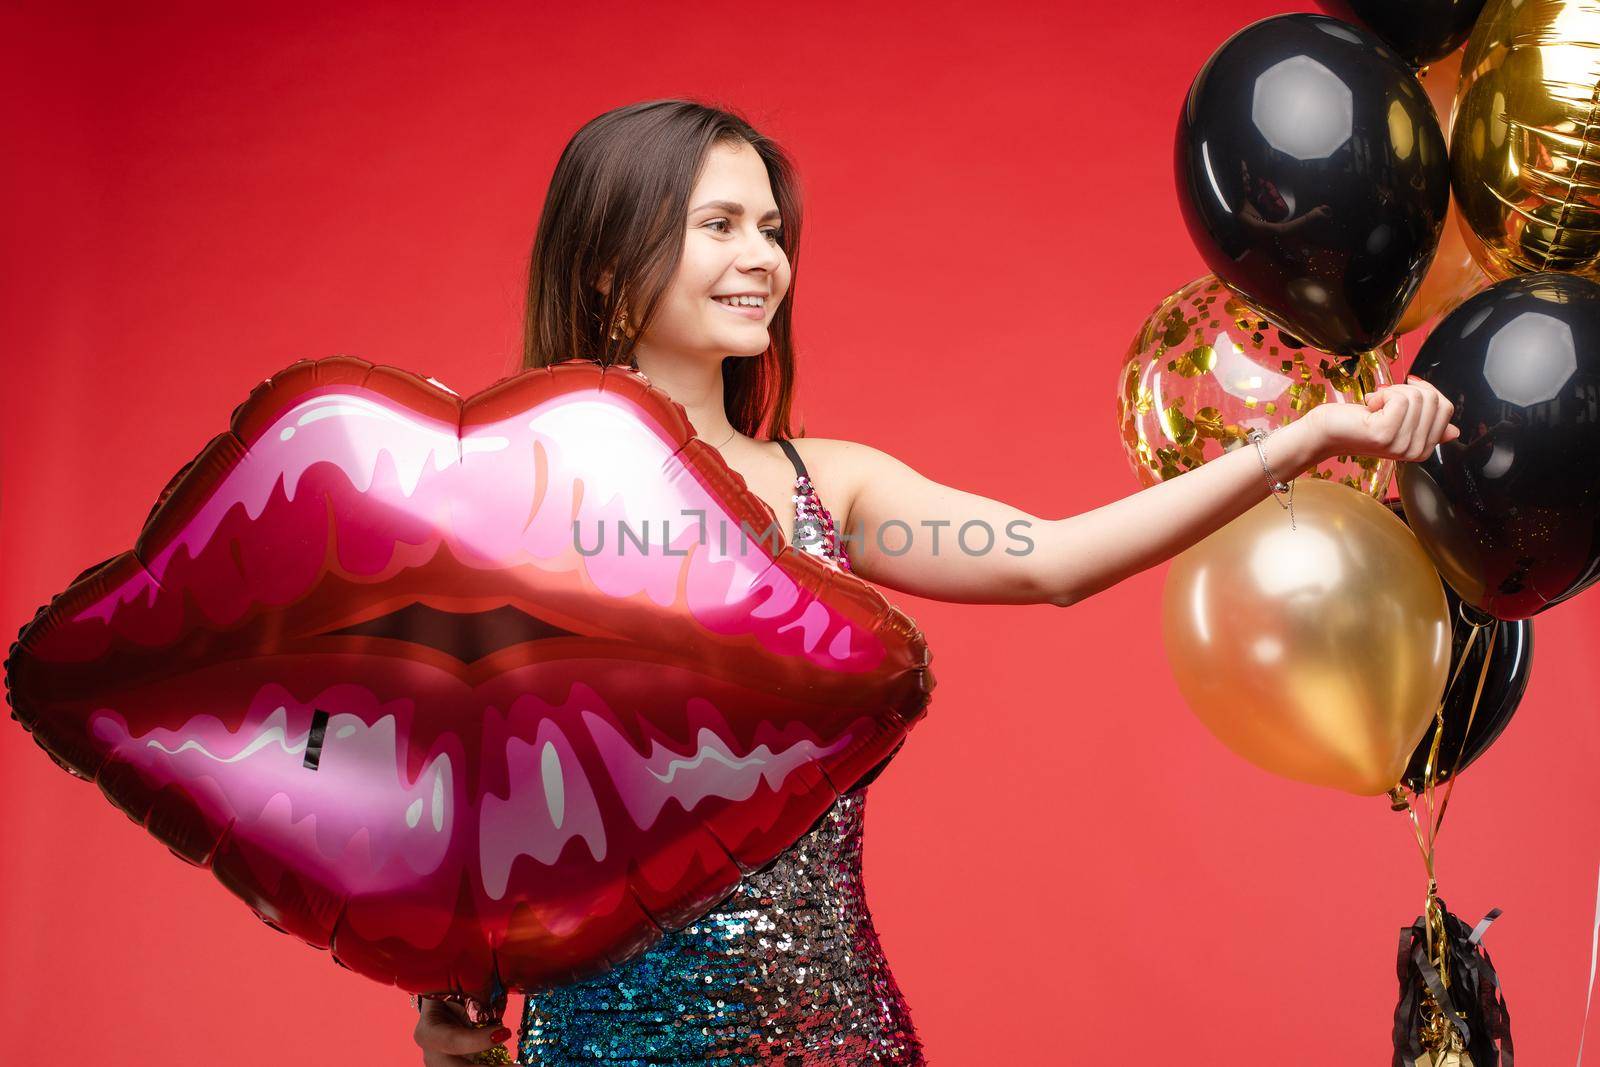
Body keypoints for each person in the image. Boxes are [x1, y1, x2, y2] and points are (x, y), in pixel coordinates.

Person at [413, 99, 1460, 1066]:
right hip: (595, 1042)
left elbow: (1049, 559)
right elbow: (440, 767)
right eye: (718, 225)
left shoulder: (833, 485)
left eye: (771, 230)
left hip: (837, 1035)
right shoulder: (514, 493)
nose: (760, 259)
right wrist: (441, 991)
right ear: (605, 267)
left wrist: (1306, 437)